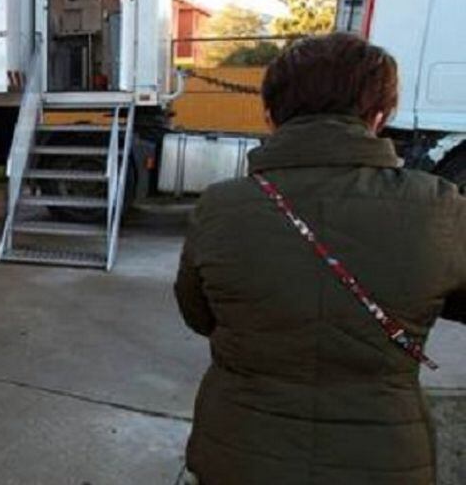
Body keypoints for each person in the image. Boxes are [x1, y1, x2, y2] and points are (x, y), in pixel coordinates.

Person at [174, 33, 466, 485]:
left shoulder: (221, 206)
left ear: (271, 116)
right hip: (384, 459)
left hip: (241, 452)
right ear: (379, 115)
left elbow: (198, 314)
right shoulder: (441, 207)